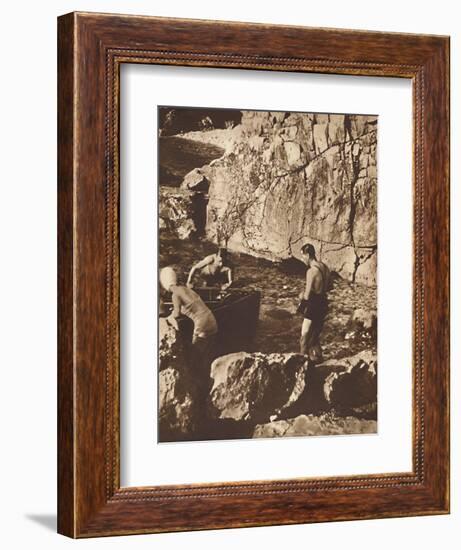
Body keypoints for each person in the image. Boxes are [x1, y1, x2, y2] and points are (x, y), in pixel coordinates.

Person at [160, 267, 218, 421]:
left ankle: (200, 399)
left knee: (194, 359)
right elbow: (192, 306)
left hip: (202, 326)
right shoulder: (185, 288)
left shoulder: (174, 294)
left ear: (165, 285)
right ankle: (209, 386)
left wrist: (168, 318)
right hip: (212, 321)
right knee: (204, 358)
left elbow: (176, 314)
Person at [297, 243, 330, 362]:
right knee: (314, 336)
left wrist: (301, 296)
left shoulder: (311, 271)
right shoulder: (325, 268)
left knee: (304, 337)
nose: (302, 259)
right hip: (324, 304)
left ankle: (302, 363)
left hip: (314, 305)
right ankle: (319, 360)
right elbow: (329, 287)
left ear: (308, 255)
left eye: (302, 256)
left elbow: (306, 295)